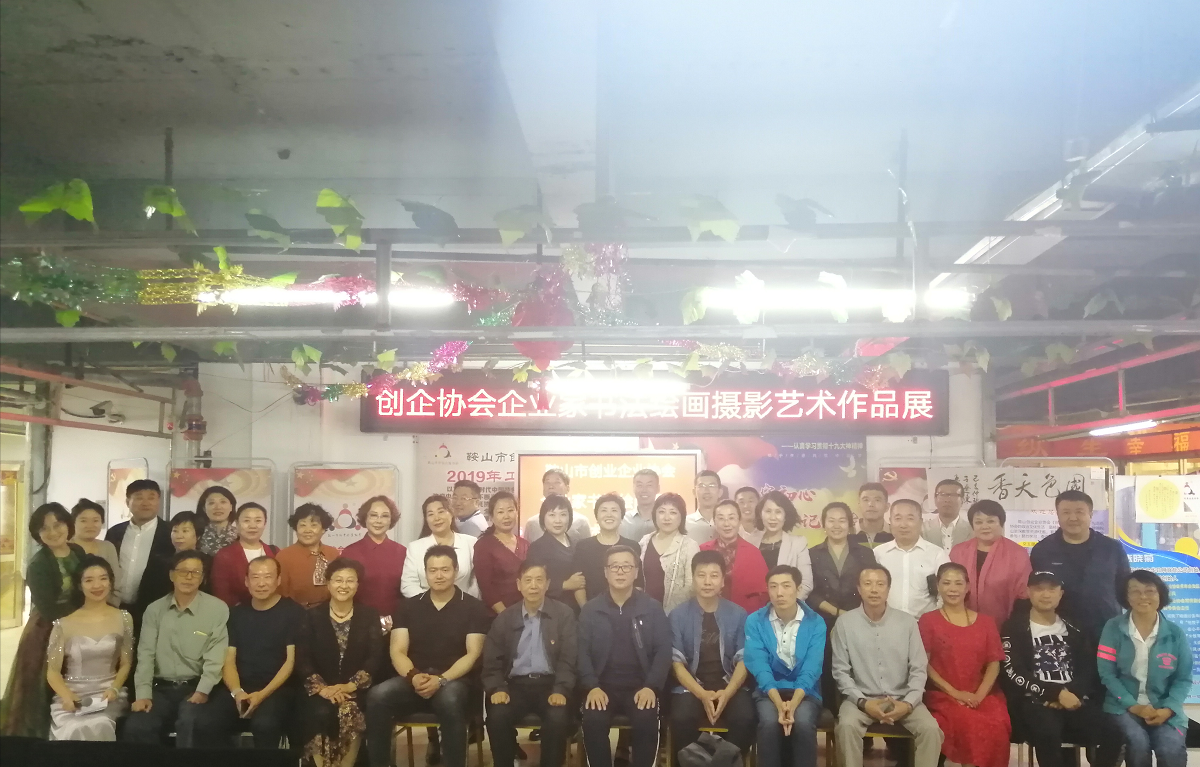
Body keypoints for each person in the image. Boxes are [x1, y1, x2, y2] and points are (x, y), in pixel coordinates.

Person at [366, 546, 490, 767]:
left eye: (445, 569)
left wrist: (441, 680)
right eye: (433, 570)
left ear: (456, 571)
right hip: (415, 679)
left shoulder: (474, 608)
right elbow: (397, 650)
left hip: (455, 680)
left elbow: (473, 654)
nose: (439, 575)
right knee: (378, 695)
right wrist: (413, 676)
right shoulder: (408, 606)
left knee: (449, 699)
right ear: (425, 572)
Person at [1001, 571, 1122, 767]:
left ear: (1060, 593)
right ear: (1028, 592)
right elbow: (1013, 670)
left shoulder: (1075, 626)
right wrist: (1055, 693)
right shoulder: (1013, 627)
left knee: (1114, 732)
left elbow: (1089, 666)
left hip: (1074, 699)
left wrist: (1072, 693)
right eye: (1039, 589)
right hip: (1035, 702)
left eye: (1052, 589)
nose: (1045, 594)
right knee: (1047, 732)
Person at [832, 565, 943, 767]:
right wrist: (863, 702)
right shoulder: (845, 623)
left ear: (888, 588)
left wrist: (908, 703)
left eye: (880, 584)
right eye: (868, 584)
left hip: (902, 698)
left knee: (931, 730)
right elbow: (840, 672)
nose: (874, 589)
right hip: (861, 699)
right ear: (859, 588)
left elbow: (918, 668)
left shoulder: (907, 622)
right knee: (846, 726)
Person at [123, 549, 229, 747]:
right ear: (172, 575)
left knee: (193, 723)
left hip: (197, 686)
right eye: (183, 571)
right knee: (138, 726)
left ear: (203, 578)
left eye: (195, 572)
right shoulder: (154, 610)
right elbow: (145, 655)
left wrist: (203, 690)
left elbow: (216, 656)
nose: (189, 577)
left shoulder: (217, 609)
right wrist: (143, 694)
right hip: (160, 689)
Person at [579, 545, 672, 767]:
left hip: (640, 687)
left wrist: (651, 686)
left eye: (626, 566)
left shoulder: (652, 608)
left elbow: (663, 651)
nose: (620, 572)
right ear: (605, 572)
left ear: (636, 571)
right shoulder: (591, 610)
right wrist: (591, 686)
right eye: (614, 566)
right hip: (602, 687)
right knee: (593, 720)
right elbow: (581, 652)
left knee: (646, 719)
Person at [0, 503, 86, 737]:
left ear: (67, 524)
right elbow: (49, 609)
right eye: (44, 528)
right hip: (47, 630)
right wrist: (83, 616)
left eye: (57, 525)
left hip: (80, 624)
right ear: (37, 534)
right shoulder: (38, 565)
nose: (53, 532)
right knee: (40, 687)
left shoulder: (78, 552)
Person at [483, 561, 578, 767]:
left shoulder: (564, 614)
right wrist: (497, 688)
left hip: (551, 685)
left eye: (539, 580)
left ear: (547, 584)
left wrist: (561, 689)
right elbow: (491, 660)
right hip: (514, 686)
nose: (533, 585)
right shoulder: (505, 618)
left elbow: (568, 658)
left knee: (557, 717)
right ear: (519, 584)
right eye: (528, 580)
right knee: (497, 715)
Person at [1097, 570, 1192, 767]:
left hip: (1163, 707)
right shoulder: (1112, 628)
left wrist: (1168, 709)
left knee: (1171, 748)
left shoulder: (1175, 633)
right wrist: (1133, 706)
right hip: (1122, 707)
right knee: (1137, 744)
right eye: (1135, 591)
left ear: (1160, 595)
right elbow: (1107, 674)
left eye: (1150, 591)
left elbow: (1183, 678)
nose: (1143, 597)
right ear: (1126, 596)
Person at [918, 562, 1010, 767]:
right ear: (938, 586)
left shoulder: (986, 622)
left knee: (997, 723)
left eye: (958, 583)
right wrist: (956, 694)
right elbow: (925, 664)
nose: (953, 589)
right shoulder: (928, 620)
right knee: (965, 721)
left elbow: (994, 663)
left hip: (982, 695)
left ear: (967, 587)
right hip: (943, 695)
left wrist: (979, 695)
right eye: (946, 583)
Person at [297, 557, 383, 767]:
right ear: (328, 583)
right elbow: (303, 657)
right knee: (319, 712)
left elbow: (375, 656)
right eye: (338, 580)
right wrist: (322, 688)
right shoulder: (312, 616)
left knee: (350, 710)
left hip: (356, 689)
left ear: (357, 585)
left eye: (350, 580)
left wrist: (351, 685)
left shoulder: (369, 615)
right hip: (319, 690)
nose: (344, 585)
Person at [212, 556, 305, 749]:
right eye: (255, 577)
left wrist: (261, 695)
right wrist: (237, 692)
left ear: (278, 580)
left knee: (265, 725)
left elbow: (290, 663)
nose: (261, 583)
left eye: (268, 577)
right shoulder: (236, 613)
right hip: (240, 688)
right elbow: (228, 659)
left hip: (278, 689)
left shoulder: (294, 613)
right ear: (247, 581)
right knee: (206, 722)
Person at [669, 551, 756, 756]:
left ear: (723, 581)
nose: (707, 582)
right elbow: (677, 664)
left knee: (746, 717)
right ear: (693, 579)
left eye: (714, 575)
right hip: (691, 686)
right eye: (701, 575)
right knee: (681, 717)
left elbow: (743, 660)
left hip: (730, 684)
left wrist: (727, 693)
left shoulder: (738, 614)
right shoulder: (677, 615)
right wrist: (702, 694)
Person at [744, 564, 825, 767]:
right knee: (769, 723)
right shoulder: (755, 621)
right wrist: (779, 703)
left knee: (803, 723)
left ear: (798, 589)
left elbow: (812, 667)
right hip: (768, 691)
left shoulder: (816, 622)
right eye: (773, 586)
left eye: (786, 586)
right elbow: (759, 666)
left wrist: (794, 703)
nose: (779, 592)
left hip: (805, 692)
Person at [45, 555, 133, 740]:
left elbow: (126, 663)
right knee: (74, 728)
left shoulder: (124, 618)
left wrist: (115, 689)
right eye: (89, 580)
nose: (97, 585)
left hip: (108, 694)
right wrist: (67, 696)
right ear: (80, 585)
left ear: (110, 582)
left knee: (99, 723)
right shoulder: (64, 624)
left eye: (103, 578)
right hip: (72, 695)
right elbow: (52, 672)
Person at [1031, 490, 1130, 638]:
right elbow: (1034, 592)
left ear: (1090, 514)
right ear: (1058, 515)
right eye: (1066, 512)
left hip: (1106, 631)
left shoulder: (1112, 548)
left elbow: (1126, 588)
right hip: (1059, 633)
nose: (1073, 518)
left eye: (1079, 512)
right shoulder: (1043, 550)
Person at [806, 502, 877, 706]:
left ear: (850, 524)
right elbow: (810, 592)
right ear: (823, 524)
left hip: (859, 619)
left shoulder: (864, 553)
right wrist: (837, 612)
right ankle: (830, 710)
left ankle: (860, 707)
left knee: (858, 666)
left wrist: (852, 615)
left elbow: (870, 586)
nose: (836, 525)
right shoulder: (812, 554)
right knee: (827, 666)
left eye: (842, 520)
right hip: (823, 620)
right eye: (831, 520)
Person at [949, 499, 1031, 625]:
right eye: (978, 522)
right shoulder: (958, 552)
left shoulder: (1017, 554)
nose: (985, 526)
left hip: (1004, 626)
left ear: (1001, 523)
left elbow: (1023, 595)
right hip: (961, 624)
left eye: (991, 521)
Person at [107, 478, 174, 613]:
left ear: (159, 501)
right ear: (128, 502)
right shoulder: (114, 533)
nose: (145, 503)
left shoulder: (171, 533)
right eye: (139, 498)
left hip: (156, 608)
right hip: (114, 607)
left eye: (151, 498)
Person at [873, 499, 949, 617]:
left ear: (921, 522)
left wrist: (933, 619)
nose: (903, 525)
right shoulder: (878, 553)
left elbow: (946, 591)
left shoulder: (937, 554)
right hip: (885, 622)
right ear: (890, 521)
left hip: (924, 623)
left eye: (910, 518)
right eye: (898, 518)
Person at [342, 495, 407, 619]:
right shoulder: (350, 552)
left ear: (391, 520)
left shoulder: (402, 552)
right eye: (373, 515)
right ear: (365, 518)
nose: (378, 521)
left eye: (385, 516)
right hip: (358, 620)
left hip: (397, 620)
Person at [402, 494, 480, 598]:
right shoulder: (415, 547)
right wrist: (430, 602)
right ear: (426, 519)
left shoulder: (471, 543)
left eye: (441, 511)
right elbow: (408, 584)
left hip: (464, 604)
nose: (436, 518)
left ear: (451, 513)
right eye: (431, 514)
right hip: (425, 605)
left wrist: (464, 601)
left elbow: (476, 582)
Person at [699, 500, 768, 613]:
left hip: (743, 614)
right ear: (714, 522)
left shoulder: (753, 553)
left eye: (731, 518)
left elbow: (763, 593)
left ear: (739, 521)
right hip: (706, 612)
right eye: (721, 518)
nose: (726, 524)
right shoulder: (703, 550)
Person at [639, 493, 701, 613]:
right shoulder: (644, 542)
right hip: (645, 612)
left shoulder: (689, 546)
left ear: (682, 516)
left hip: (677, 614)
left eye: (673, 512)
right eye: (662, 512)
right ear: (655, 514)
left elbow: (692, 585)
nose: (666, 518)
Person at [577, 493, 644, 602]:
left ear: (621, 517)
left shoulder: (632, 546)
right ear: (596, 517)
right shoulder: (583, 546)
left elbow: (638, 583)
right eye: (604, 510)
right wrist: (586, 610)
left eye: (614, 510)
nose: (609, 515)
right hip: (591, 609)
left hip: (626, 609)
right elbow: (578, 584)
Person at [136, 511, 210, 609]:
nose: (179, 536)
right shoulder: (158, 562)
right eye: (175, 531)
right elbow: (145, 594)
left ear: (198, 535)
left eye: (185, 531)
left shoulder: (207, 562)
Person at [473, 491, 530, 614]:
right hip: (497, 615)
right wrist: (506, 616)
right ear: (491, 517)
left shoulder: (526, 544)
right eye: (500, 512)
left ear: (517, 512)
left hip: (526, 612)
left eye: (510, 510)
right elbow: (486, 587)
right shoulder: (483, 545)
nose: (506, 516)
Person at [211, 502, 278, 607]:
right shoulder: (224, 555)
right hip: (237, 614)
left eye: (258, 521)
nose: (252, 526)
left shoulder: (275, 552)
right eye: (246, 521)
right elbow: (221, 594)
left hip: (272, 611)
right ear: (237, 524)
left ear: (265, 524)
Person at [526, 495, 586, 610]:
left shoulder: (576, 543)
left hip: (577, 608)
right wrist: (565, 585)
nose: (558, 520)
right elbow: (533, 581)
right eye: (552, 515)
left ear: (570, 517)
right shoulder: (537, 547)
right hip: (552, 609)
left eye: (563, 514)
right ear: (543, 518)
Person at [277, 503, 340, 608]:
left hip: (331, 612)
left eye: (314, 525)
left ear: (323, 529)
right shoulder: (284, 556)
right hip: (296, 613)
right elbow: (280, 594)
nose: (307, 530)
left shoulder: (333, 554)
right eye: (302, 525)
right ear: (295, 528)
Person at [754, 491, 813, 600]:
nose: (773, 517)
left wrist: (785, 605)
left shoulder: (798, 543)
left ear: (786, 516)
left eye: (778, 512)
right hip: (756, 607)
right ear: (760, 514)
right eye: (768, 511)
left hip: (787, 606)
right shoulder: (750, 542)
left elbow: (806, 584)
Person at [69, 499, 121, 604]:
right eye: (83, 521)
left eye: (96, 520)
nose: (90, 525)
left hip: (105, 607)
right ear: (73, 522)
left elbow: (116, 583)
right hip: (71, 609)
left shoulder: (108, 547)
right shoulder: (65, 548)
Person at [524, 470, 593, 542]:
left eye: (557, 482)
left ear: (567, 488)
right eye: (547, 482)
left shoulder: (581, 522)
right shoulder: (532, 524)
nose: (551, 486)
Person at [921, 479, 972, 551]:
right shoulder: (922, 529)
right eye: (942, 495)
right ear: (935, 500)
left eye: (953, 495)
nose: (947, 500)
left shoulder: (972, 530)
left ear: (962, 501)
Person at [197, 485, 239, 556]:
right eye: (211, 503)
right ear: (204, 508)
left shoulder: (240, 535)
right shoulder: (196, 535)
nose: (218, 507)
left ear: (231, 507)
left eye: (223, 502)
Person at [848, 482, 894, 548]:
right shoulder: (847, 534)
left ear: (887, 507)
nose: (871, 504)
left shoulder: (896, 534)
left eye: (877, 500)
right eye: (866, 500)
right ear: (859, 506)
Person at [620, 469, 660, 542]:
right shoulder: (623, 520)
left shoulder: (665, 519)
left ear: (658, 488)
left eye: (649, 485)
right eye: (639, 485)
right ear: (633, 488)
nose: (644, 490)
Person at [686, 470, 721, 544]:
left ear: (720, 492)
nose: (707, 491)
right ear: (694, 492)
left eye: (712, 486)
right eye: (702, 486)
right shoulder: (684, 524)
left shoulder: (729, 523)